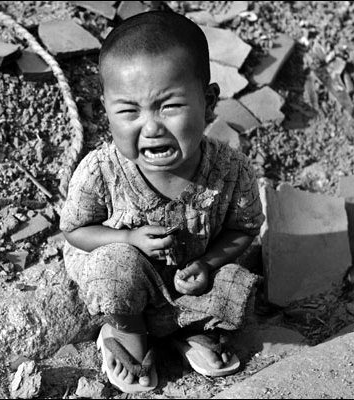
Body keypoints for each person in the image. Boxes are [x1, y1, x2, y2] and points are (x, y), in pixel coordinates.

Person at [60, 10, 265, 393]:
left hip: (192, 283)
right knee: (113, 265)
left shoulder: (231, 169)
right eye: (128, 111)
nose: (151, 126)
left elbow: (245, 230)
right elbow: (75, 232)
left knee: (235, 280)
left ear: (208, 101)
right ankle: (127, 332)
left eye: (169, 107)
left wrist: (208, 263)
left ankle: (189, 331)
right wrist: (129, 239)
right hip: (129, 284)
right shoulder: (101, 170)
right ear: (106, 109)